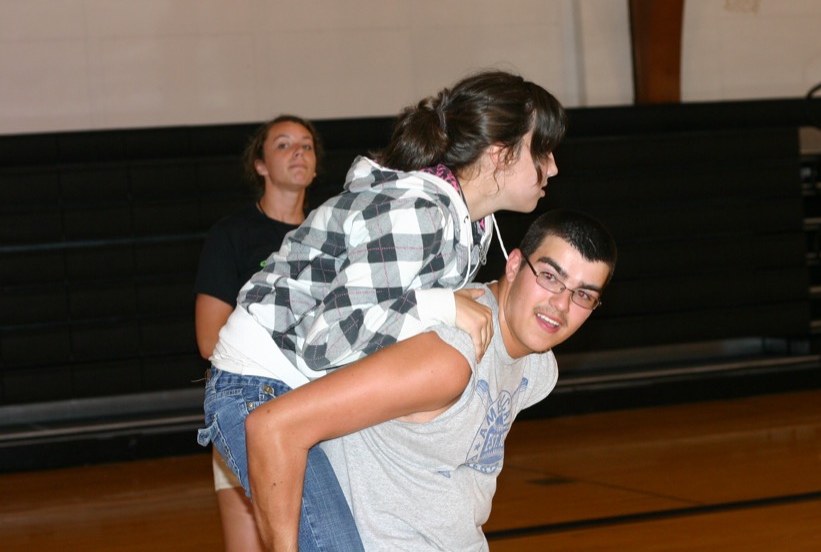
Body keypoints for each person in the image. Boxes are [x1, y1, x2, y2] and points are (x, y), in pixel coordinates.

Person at [198, 70, 568, 551]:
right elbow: (326, 341)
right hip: (258, 385)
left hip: (300, 387)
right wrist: (439, 304)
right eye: (543, 150)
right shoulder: (418, 211)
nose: (553, 167)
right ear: (500, 154)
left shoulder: (466, 222)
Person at [247, 209, 617, 551]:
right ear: (515, 265)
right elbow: (274, 426)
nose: (561, 305)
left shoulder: (538, 370)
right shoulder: (450, 355)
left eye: (583, 294)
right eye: (550, 277)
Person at [194, 115, 323, 552]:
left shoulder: (330, 233)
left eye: (306, 145)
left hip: (321, 413)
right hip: (250, 409)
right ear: (261, 165)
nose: (298, 152)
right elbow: (209, 339)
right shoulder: (231, 236)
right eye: (284, 144)